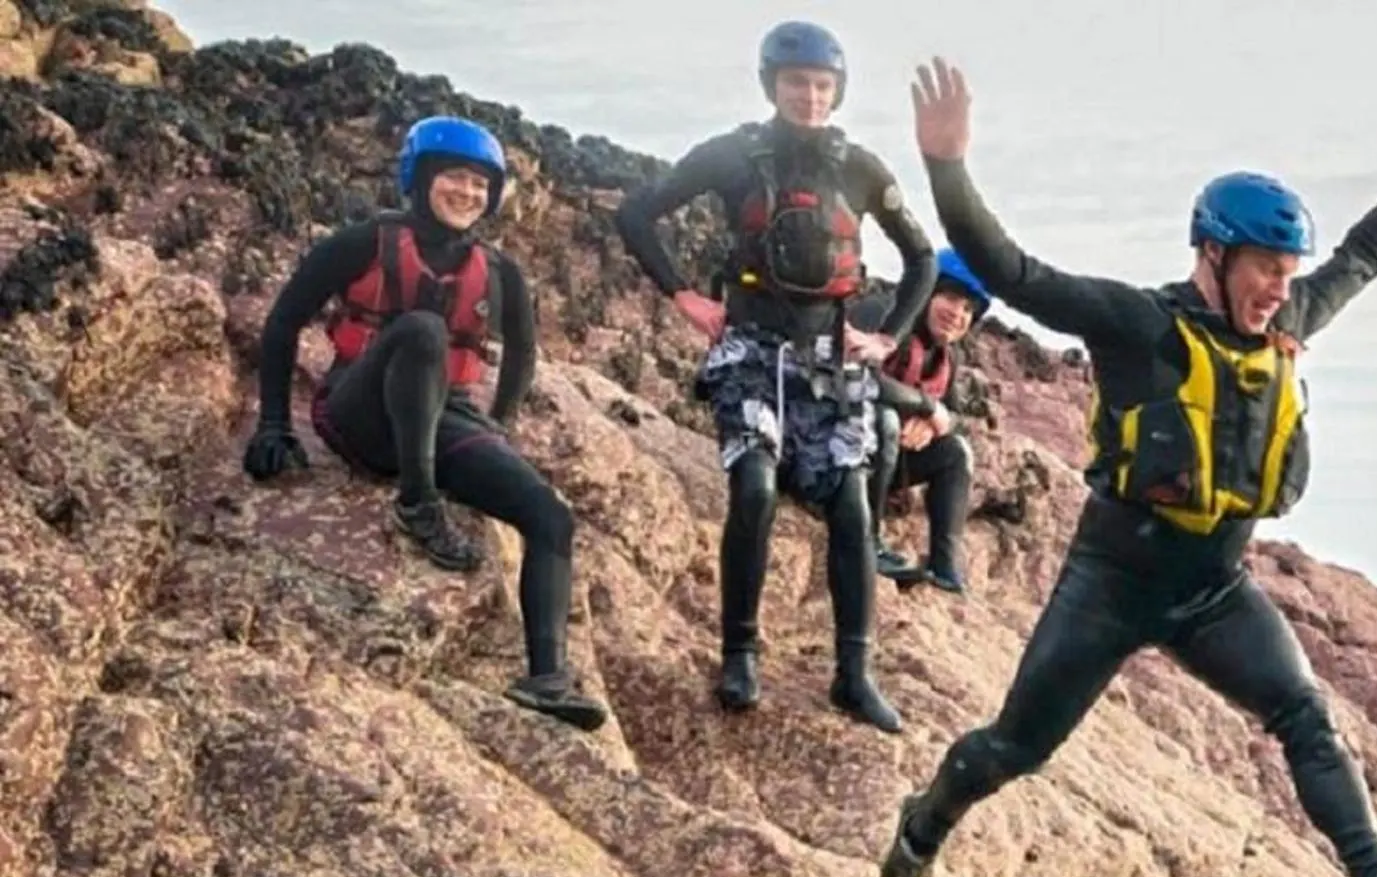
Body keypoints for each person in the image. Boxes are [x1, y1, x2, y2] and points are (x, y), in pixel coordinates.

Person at [877, 57, 1377, 877]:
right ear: (1211, 254)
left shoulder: (1288, 323)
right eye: (1263, 268)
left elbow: (1366, 255)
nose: (1279, 287)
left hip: (1213, 589)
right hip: (1110, 581)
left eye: (1286, 270)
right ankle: (921, 828)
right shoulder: (1138, 327)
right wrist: (947, 166)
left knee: (1306, 714)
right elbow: (1013, 272)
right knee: (1015, 748)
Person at [613, 20, 948, 732]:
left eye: (823, 86)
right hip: (750, 347)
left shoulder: (859, 168)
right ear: (773, 85)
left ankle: (853, 674)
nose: (810, 97)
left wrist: (885, 336)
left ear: (838, 92)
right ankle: (739, 652)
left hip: (829, 356)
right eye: (797, 83)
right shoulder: (734, 154)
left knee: (854, 505)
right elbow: (637, 213)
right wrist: (682, 292)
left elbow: (922, 259)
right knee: (755, 483)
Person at [240, 115, 609, 733]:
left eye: (479, 184)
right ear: (420, 177)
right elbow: (282, 323)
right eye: (453, 178)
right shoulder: (362, 242)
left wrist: (503, 427)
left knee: (550, 515)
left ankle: (547, 679)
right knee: (422, 329)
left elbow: (521, 355)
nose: (467, 193)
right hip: (358, 411)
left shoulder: (501, 274)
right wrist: (274, 423)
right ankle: (417, 502)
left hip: (448, 418)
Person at [851, 246, 987, 595]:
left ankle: (944, 567)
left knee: (956, 451)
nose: (958, 314)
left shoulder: (945, 357)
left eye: (968, 308)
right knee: (885, 422)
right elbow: (854, 377)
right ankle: (867, 541)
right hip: (825, 450)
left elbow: (952, 415)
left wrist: (932, 422)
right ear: (927, 289)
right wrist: (926, 406)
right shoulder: (880, 313)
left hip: (879, 463)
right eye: (952, 298)